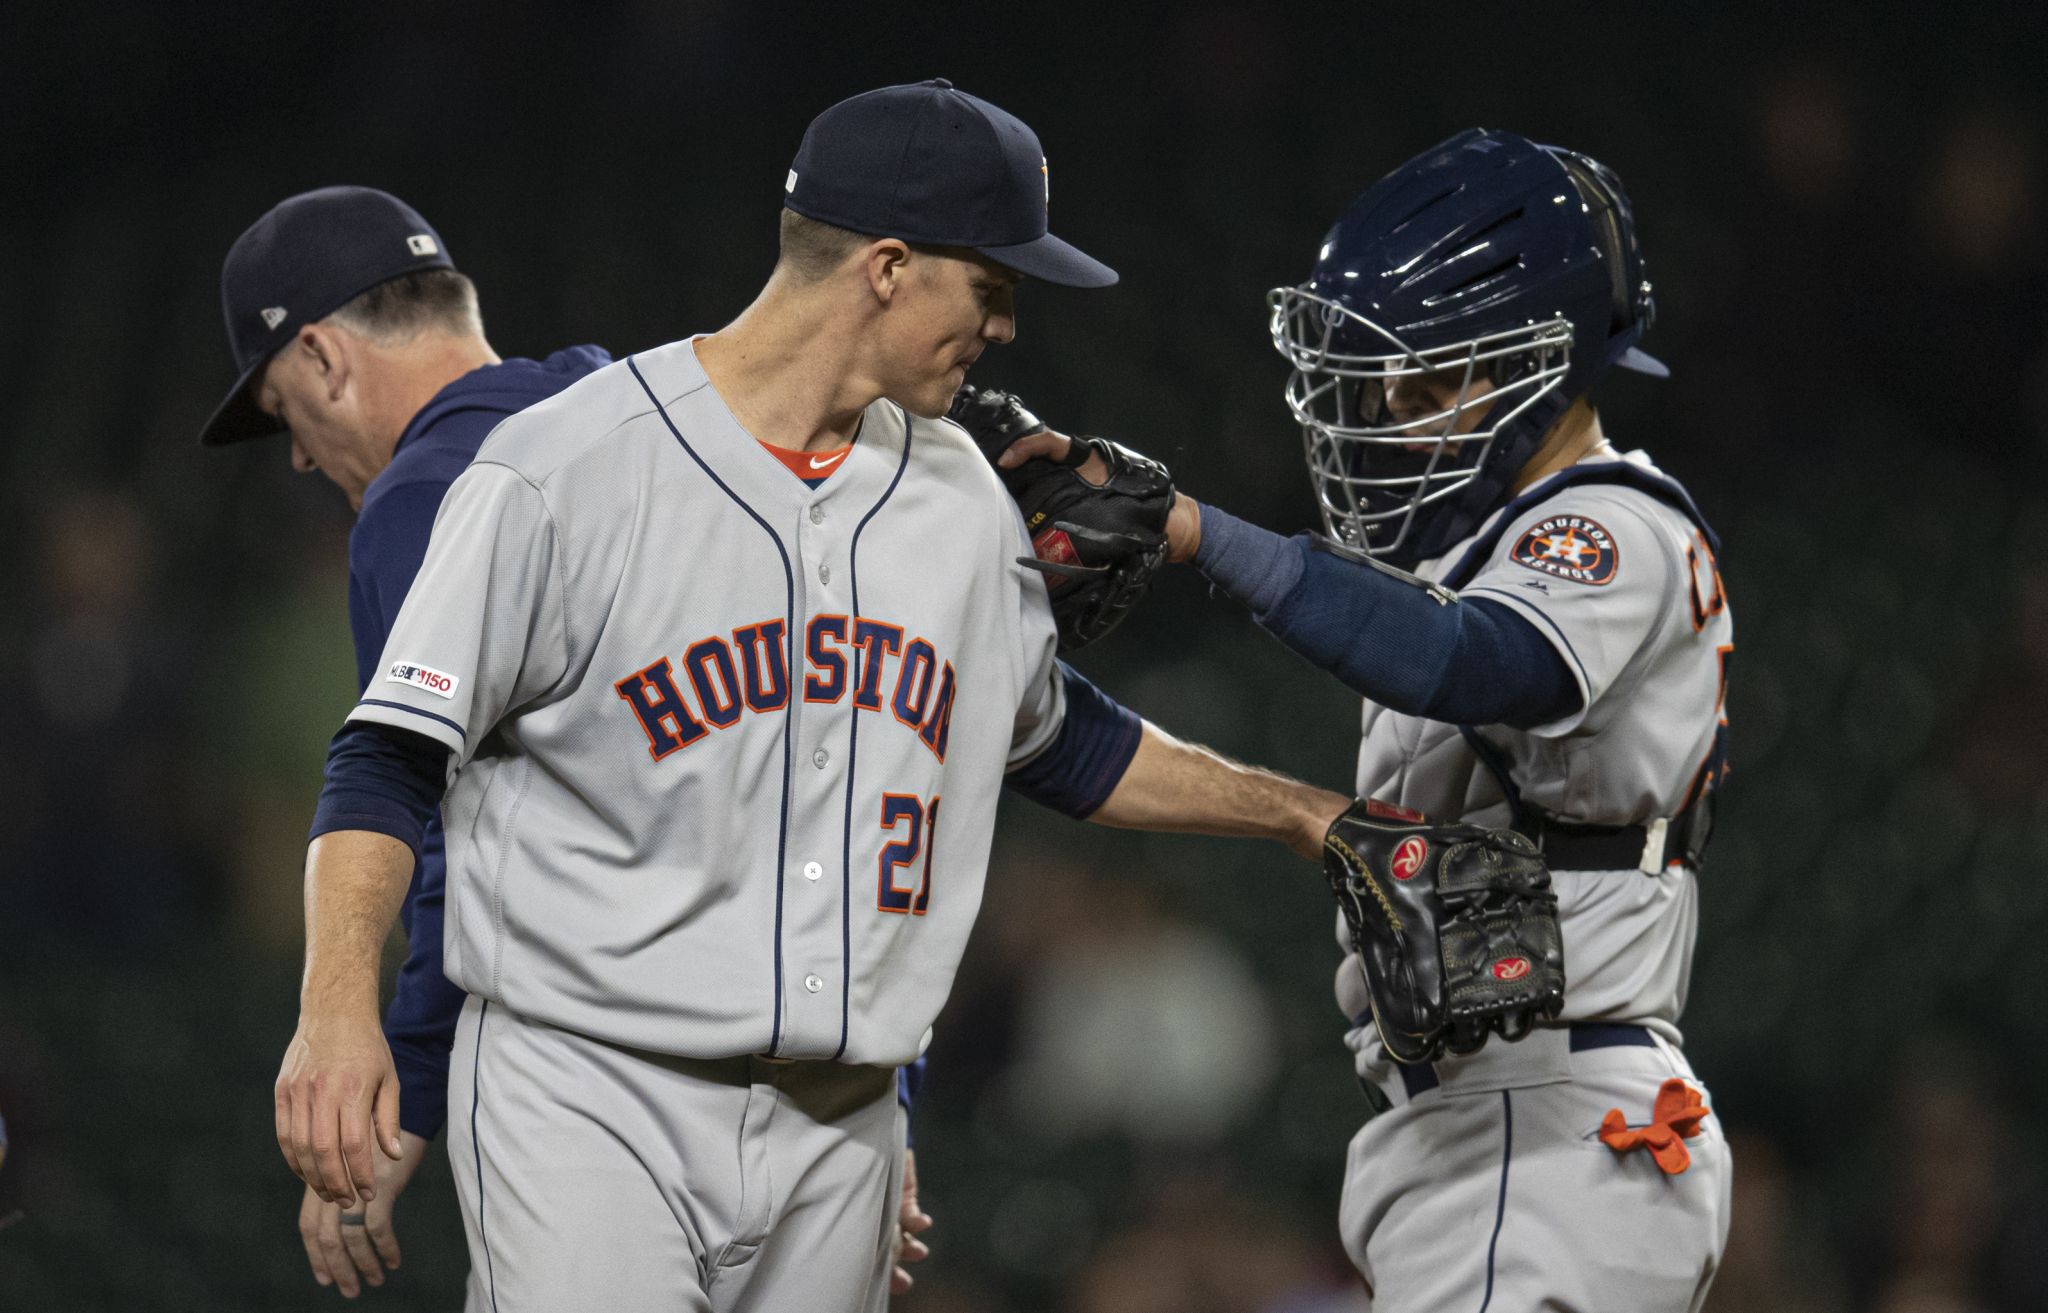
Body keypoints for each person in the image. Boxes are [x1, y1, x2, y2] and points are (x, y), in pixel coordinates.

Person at [269, 80, 1351, 1311]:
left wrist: (1300, 812)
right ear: (886, 266)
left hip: (844, 1122)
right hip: (590, 1089)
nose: (1002, 326)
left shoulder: (955, 495)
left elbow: (1055, 740)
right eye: (987, 285)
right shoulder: (563, 466)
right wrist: (337, 1014)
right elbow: (385, 758)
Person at [998, 128, 1735, 1310]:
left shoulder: (1608, 523)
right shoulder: (1487, 545)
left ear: (1540, 366)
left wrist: (1192, 528)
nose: (1390, 405)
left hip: (1543, 1118)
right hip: (1493, 1122)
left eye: (1434, 371)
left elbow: (1471, 660)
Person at [198, 185, 613, 1297]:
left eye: (287, 409)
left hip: (591, 1091)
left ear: (327, 359)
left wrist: (406, 1086)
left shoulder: (428, 491)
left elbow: (447, 833)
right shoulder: (637, 415)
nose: (295, 455)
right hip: (801, 1067)